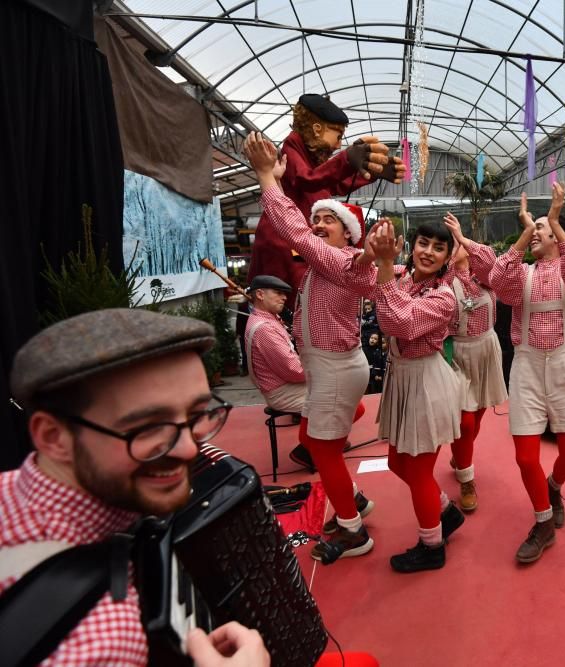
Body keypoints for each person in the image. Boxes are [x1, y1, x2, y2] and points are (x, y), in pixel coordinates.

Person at [0, 308, 268, 664]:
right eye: (147, 427)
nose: (189, 449)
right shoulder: (103, 641)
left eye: (197, 414)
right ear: (54, 437)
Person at [245, 133, 376, 566]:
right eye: (316, 217)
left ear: (348, 234)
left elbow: (292, 227)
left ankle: (354, 531)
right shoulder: (326, 265)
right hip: (328, 368)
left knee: (322, 449)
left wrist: (268, 179)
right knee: (318, 442)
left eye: (327, 220)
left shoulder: (339, 262)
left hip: (335, 369)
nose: (317, 224)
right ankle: (355, 501)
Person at [489, 183, 565, 564]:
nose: (536, 231)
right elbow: (499, 283)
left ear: (558, 235)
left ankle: (554, 486)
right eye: (534, 226)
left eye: (542, 228)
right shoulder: (523, 274)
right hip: (527, 364)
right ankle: (543, 521)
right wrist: (525, 233)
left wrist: (554, 219)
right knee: (524, 456)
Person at [362, 218, 469, 573]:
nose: (429, 252)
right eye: (424, 243)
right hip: (404, 377)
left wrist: (386, 266)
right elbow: (373, 291)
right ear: (413, 244)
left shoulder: (444, 297)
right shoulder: (405, 279)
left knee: (420, 470)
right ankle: (445, 512)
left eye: (439, 248)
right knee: (397, 462)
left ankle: (431, 546)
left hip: (426, 381)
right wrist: (378, 257)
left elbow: (399, 324)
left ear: (447, 258)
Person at [247, 94, 401, 307]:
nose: (338, 145)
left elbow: (331, 183)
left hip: (302, 240)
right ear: (318, 129)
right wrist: (347, 160)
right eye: (337, 135)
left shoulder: (311, 156)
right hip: (286, 242)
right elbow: (307, 180)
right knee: (295, 294)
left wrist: (371, 172)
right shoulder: (291, 149)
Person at [442, 212, 509, 512]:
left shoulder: (486, 278)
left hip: (486, 348)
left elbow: (494, 264)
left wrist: (464, 237)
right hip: (455, 352)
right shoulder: (442, 281)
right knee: (464, 422)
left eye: (461, 243)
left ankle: (460, 456)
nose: (457, 247)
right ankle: (467, 478)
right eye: (452, 243)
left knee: (478, 413)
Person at [243, 274, 313, 469]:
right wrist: (324, 368)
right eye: (278, 293)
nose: (283, 298)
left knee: (339, 391)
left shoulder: (269, 319)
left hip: (286, 384)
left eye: (284, 294)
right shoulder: (265, 329)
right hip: (282, 390)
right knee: (339, 397)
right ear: (260, 294)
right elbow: (294, 370)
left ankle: (323, 442)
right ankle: (311, 449)